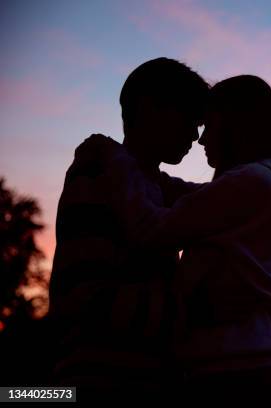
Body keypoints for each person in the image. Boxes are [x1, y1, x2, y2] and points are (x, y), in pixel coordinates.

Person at [104, 75, 271, 405]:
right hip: (249, 363)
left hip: (228, 370)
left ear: (235, 126)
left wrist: (119, 168)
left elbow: (149, 230)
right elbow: (196, 198)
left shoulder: (245, 184)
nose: (201, 141)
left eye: (210, 125)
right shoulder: (263, 184)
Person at [48, 57, 210, 400]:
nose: (196, 137)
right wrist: (188, 311)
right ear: (149, 108)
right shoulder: (98, 169)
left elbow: (221, 200)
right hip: (99, 380)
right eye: (189, 120)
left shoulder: (158, 186)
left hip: (147, 377)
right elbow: (82, 296)